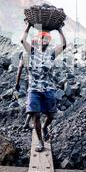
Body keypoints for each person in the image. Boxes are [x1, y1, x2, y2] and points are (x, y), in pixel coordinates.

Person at [20, 22, 66, 152]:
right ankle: (40, 142)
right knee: (36, 115)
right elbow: (22, 40)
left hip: (48, 89)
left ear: (49, 41)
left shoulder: (51, 53)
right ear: (38, 40)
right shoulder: (33, 51)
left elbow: (64, 45)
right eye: (42, 38)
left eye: (47, 38)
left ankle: (45, 127)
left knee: (51, 115)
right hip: (34, 89)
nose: (44, 40)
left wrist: (59, 30)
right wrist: (28, 26)